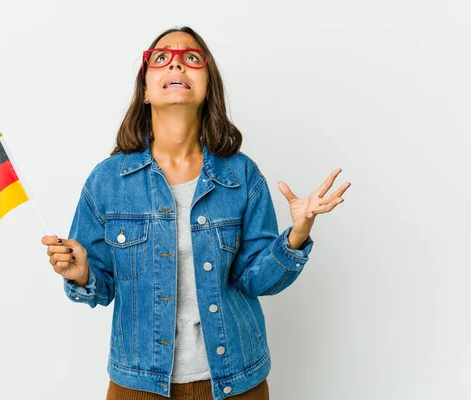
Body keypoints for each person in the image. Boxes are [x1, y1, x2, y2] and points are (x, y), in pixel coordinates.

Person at [41, 26, 350, 400]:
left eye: (191, 58)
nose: (176, 64)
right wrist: (82, 273)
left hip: (237, 382)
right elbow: (100, 289)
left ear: (207, 85)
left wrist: (297, 234)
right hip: (138, 386)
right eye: (161, 58)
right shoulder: (108, 180)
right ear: (145, 90)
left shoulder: (241, 176)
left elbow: (257, 281)